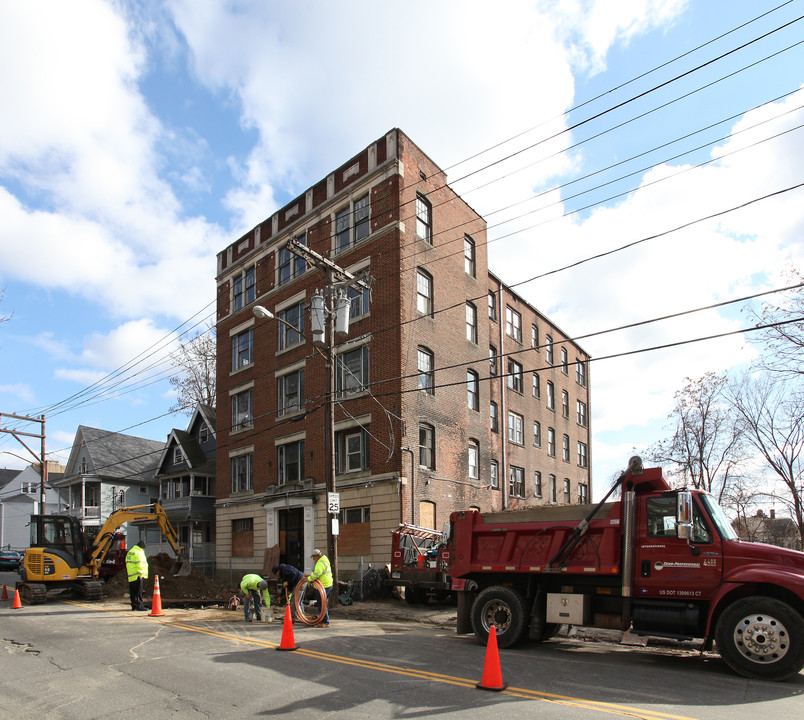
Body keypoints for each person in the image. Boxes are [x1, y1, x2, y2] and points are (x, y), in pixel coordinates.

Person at [308, 549, 333, 626]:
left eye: (313, 557)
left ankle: (325, 621)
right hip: (327, 585)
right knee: (323, 604)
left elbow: (316, 574)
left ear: (317, 556)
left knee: (321, 604)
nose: (313, 559)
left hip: (323, 586)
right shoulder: (324, 560)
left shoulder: (320, 563)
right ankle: (324, 620)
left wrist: (309, 579)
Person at [125, 540, 149, 611]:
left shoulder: (130, 552)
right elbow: (140, 564)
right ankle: (140, 606)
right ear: (142, 547)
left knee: (132, 592)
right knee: (138, 592)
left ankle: (134, 605)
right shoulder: (139, 552)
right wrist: (140, 574)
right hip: (137, 575)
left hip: (131, 575)